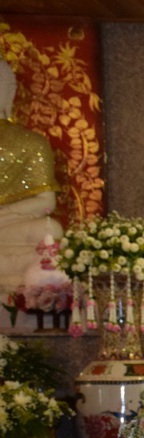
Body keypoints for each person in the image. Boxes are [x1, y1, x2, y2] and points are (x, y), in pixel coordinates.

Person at [0, 59, 63, 295]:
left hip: (9, 226)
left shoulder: (32, 143)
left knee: (50, 229)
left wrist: (4, 213)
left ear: (9, 92)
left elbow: (47, 201)